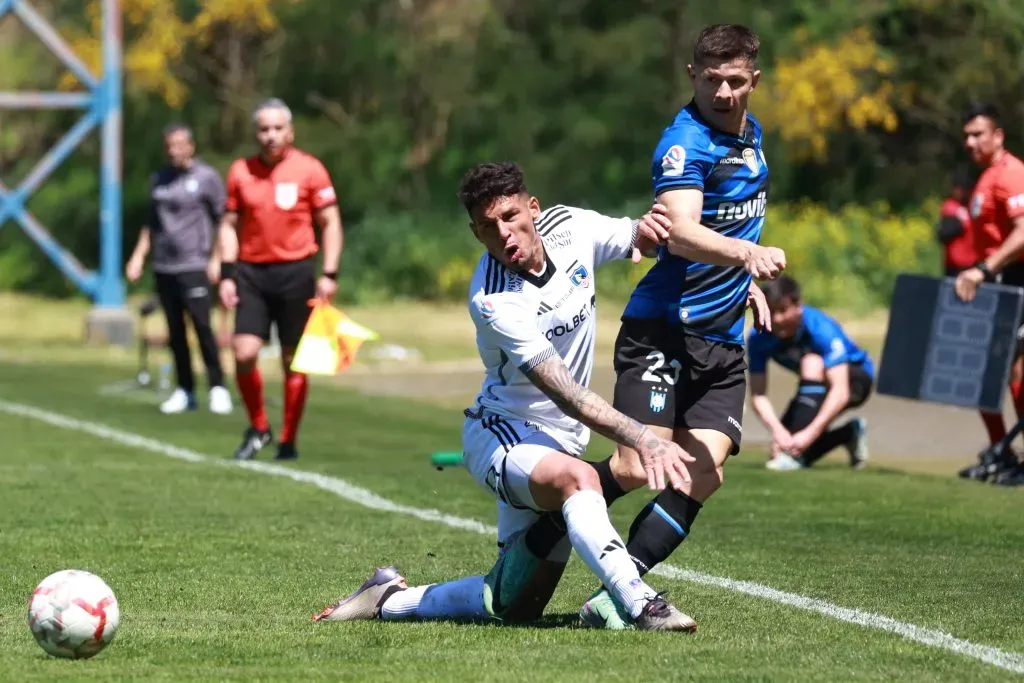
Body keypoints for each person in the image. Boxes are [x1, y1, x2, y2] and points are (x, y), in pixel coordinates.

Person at [465, 24, 787, 631]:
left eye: (736, 82)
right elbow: (682, 231)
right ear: (692, 75)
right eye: (712, 80)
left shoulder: (751, 135)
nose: (723, 93)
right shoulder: (683, 144)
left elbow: (718, 225)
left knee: (703, 473)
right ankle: (560, 530)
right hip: (664, 328)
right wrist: (746, 258)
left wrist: (741, 283)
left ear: (754, 80)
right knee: (640, 465)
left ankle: (616, 593)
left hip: (721, 332)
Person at [312, 161, 699, 632]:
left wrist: (722, 280)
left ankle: (388, 598)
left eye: (511, 216)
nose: (505, 234)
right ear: (477, 235)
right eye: (489, 228)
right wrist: (643, 436)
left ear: (533, 208)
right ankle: (641, 603)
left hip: (562, 442)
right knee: (579, 480)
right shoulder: (495, 300)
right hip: (503, 435)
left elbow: (640, 236)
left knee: (512, 603)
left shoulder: (571, 227)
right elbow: (568, 395)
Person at [217, 98, 344, 461]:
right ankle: (259, 427)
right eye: (263, 128)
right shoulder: (240, 171)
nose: (270, 135)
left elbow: (331, 222)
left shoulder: (310, 169)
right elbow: (228, 225)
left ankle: (288, 440)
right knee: (244, 352)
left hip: (296, 272)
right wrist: (226, 276)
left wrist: (329, 273)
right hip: (252, 273)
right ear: (255, 132)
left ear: (290, 131)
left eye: (277, 128)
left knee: (293, 359)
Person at [125, 124, 232, 416]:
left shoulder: (206, 178)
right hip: (164, 265)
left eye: (180, 145)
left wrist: (216, 260)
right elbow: (151, 223)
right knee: (175, 331)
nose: (175, 151)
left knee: (202, 326)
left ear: (191, 146)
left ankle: (217, 387)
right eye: (170, 145)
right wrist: (138, 257)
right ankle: (185, 389)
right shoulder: (159, 179)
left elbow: (223, 221)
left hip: (194, 263)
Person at [954, 103, 1024, 485]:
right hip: (996, 283)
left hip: (1015, 279)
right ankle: (1003, 453)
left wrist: (984, 269)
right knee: (982, 374)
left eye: (978, 134)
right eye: (966, 135)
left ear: (998, 136)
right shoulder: (985, 177)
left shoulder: (1012, 174)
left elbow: (1023, 231)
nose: (970, 142)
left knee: (1017, 374)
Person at [747, 275, 872, 472]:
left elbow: (841, 392)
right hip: (817, 385)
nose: (777, 319)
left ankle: (796, 455)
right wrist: (779, 432)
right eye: (771, 311)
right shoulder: (758, 337)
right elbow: (758, 395)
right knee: (780, 448)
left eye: (783, 310)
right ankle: (849, 433)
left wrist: (808, 435)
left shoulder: (821, 328)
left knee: (811, 363)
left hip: (855, 380)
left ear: (798, 306)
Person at [937, 166, 977, 278]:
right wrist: (959, 224)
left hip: (973, 265)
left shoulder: (973, 207)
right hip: (954, 267)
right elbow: (944, 232)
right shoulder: (950, 206)